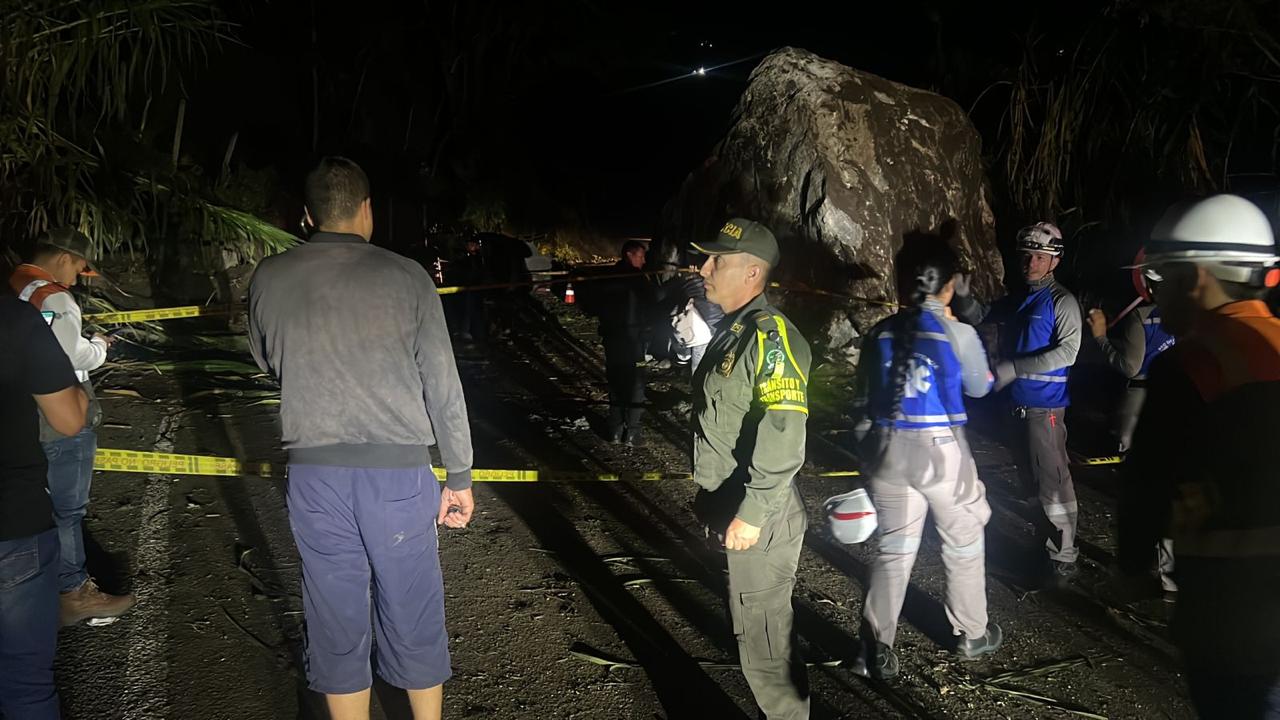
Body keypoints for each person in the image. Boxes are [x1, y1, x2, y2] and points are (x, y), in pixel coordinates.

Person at [248, 157, 475, 720]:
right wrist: (459, 475)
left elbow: (267, 359)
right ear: (368, 210)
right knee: (412, 607)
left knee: (333, 615)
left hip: (315, 476)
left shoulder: (270, 277)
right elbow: (442, 383)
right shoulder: (408, 277)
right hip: (397, 476)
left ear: (308, 216)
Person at [1118, 194, 1280, 719]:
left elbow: (1146, 484)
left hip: (1232, 620)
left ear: (1198, 276)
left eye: (1164, 276)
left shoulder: (1192, 365)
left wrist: (1132, 565)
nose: (1155, 292)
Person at [849, 236, 1000, 680]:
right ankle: (971, 632)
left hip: (889, 450)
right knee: (964, 540)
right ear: (949, 286)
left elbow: (862, 401)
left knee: (894, 549)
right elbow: (981, 386)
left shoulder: (879, 333)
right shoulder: (957, 333)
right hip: (942, 454)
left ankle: (874, 647)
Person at [691, 219, 810, 719]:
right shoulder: (734, 332)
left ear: (753, 273)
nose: (704, 268)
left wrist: (752, 513)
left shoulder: (769, 336)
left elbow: (784, 432)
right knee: (758, 634)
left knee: (765, 649)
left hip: (759, 515)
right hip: (734, 506)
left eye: (717, 260)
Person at [8, 228, 135, 626]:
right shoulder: (56, 297)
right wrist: (98, 347)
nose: (79, 277)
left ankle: (35, 585)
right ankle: (74, 592)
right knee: (67, 509)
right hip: (58, 412)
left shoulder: (15, 283)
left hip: (20, 410)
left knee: (33, 502)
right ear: (64, 257)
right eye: (79, 267)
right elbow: (66, 356)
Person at [952, 222, 1084, 580]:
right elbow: (980, 316)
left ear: (1054, 261)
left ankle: (1063, 557)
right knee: (1032, 482)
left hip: (1045, 408)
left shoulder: (1061, 301)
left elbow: (1069, 352)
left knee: (1052, 482)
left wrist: (1014, 367)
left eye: (1039, 257)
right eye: (1026, 256)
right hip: (1017, 406)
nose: (1031, 263)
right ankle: (1046, 544)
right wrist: (963, 296)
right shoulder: (1019, 298)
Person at [1, 293, 89, 719]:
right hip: (11, 523)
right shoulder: (14, 318)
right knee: (25, 685)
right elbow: (69, 419)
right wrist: (82, 391)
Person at [1087, 252, 1178, 597]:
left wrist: (1100, 337)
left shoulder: (1141, 317)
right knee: (1171, 489)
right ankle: (1170, 575)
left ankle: (1136, 570)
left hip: (1140, 401)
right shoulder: (1191, 317)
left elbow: (1129, 365)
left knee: (1139, 486)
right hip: (1175, 401)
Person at [580, 240, 652, 445]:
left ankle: (614, 429)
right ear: (629, 254)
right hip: (634, 343)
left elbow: (591, 306)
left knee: (616, 381)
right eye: (641, 256)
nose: (644, 261)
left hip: (612, 340)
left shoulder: (607, 277)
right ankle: (632, 432)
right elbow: (653, 304)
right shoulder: (638, 280)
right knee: (637, 384)